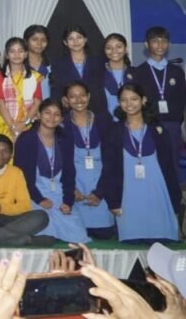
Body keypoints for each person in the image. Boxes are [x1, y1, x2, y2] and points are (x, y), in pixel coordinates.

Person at [99, 82, 180, 243]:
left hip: (158, 192)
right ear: (119, 103)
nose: (129, 104)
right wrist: (113, 201)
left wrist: (175, 197)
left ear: (143, 100)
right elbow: (109, 170)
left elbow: (169, 166)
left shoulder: (158, 130)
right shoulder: (114, 132)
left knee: (162, 242)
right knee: (132, 243)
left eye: (134, 99)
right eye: (124, 100)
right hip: (128, 196)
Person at [13, 99, 88, 244]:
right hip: (33, 195)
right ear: (39, 115)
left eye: (56, 114)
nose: (51, 117)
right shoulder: (26, 139)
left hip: (58, 194)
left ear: (61, 119)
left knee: (79, 236)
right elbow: (20, 176)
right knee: (46, 234)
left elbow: (69, 173)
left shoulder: (64, 139)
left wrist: (68, 201)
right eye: (47, 113)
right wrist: (39, 199)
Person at [61, 81, 115, 239]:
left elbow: (112, 160)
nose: (78, 100)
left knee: (104, 235)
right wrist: (70, 190)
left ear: (89, 96)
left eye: (82, 95)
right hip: (75, 186)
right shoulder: (62, 124)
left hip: (101, 185)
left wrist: (100, 192)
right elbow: (59, 162)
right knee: (76, 235)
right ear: (66, 100)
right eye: (73, 96)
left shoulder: (104, 121)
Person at [132, 26, 185, 173]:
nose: (160, 45)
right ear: (146, 44)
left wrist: (175, 122)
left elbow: (182, 99)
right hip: (148, 125)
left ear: (169, 44)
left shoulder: (177, 71)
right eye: (155, 41)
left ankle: (173, 189)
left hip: (172, 125)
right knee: (151, 164)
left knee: (172, 164)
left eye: (164, 41)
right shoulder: (139, 72)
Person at [0, 37, 43, 140]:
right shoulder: (0, 76)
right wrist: (12, 126)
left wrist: (24, 123)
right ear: (7, 55)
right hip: (5, 123)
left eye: (20, 51)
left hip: (28, 123)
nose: (16, 55)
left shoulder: (34, 76)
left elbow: (37, 102)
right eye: (12, 51)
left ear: (26, 54)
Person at [49, 25, 106, 116]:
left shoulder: (98, 62)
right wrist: (61, 99)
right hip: (69, 111)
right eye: (71, 38)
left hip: (96, 109)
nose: (75, 41)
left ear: (85, 39)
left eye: (79, 37)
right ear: (65, 42)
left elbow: (101, 88)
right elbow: (56, 90)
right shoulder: (58, 64)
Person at [101, 32, 131, 120]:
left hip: (130, 122)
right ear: (104, 51)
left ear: (126, 49)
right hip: (104, 122)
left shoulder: (136, 73)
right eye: (109, 48)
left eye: (119, 47)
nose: (114, 51)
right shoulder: (98, 74)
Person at [24, 24, 52, 100]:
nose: (39, 43)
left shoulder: (52, 65)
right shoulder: (19, 65)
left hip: (48, 105)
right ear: (26, 41)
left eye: (43, 40)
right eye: (34, 39)